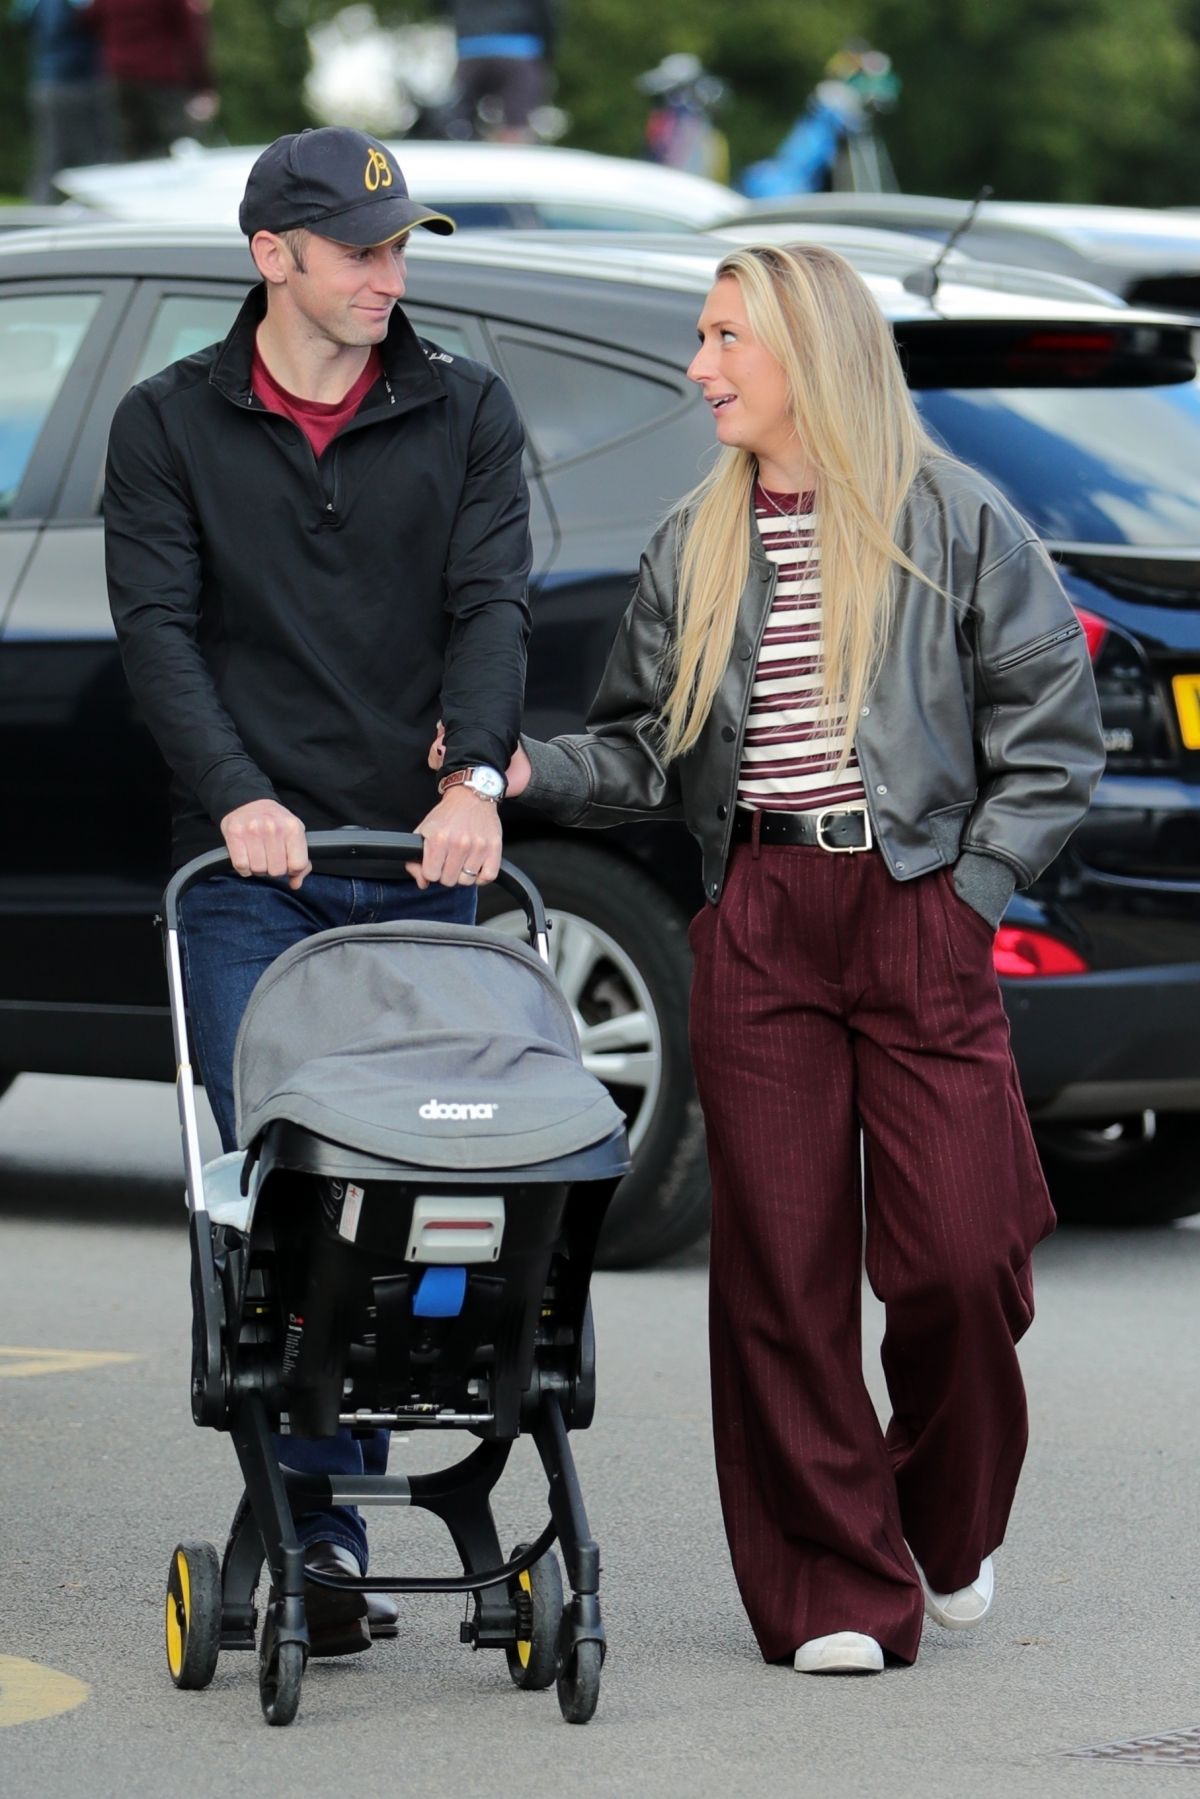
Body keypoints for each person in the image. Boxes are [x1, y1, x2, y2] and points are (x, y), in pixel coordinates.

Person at [439, 242, 1105, 1673]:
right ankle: (835, 1588)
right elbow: (641, 743)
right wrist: (518, 768)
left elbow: (1054, 738)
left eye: (725, 337)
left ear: (808, 349)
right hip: (762, 918)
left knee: (961, 1258)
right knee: (784, 1275)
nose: (701, 366)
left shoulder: (956, 522)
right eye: (700, 336)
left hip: (916, 906)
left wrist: (970, 891)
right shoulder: (699, 539)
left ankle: (943, 1516)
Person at [105, 125, 532, 1658]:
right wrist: (239, 797)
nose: (386, 273)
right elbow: (156, 631)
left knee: (432, 1201)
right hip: (251, 881)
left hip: (419, 872)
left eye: (399, 246)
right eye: (359, 248)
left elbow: (495, 600)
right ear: (270, 254)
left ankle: (462, 1465)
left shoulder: (466, 407)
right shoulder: (168, 423)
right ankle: (323, 1518)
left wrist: (470, 780)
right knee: (282, 1200)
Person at [85, 0, 216, 160]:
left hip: (120, 75)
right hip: (161, 77)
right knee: (173, 148)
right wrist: (202, 84)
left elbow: (89, 19)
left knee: (128, 149)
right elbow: (190, 35)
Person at [15, 0, 114, 202]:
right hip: (78, 82)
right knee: (88, 156)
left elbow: (22, 22)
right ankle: (53, 208)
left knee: (52, 154)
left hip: (47, 80)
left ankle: (43, 206)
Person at [442, 0, 559, 142]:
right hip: (519, 53)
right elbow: (548, 15)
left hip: (470, 51)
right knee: (516, 124)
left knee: (458, 123)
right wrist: (547, 53)